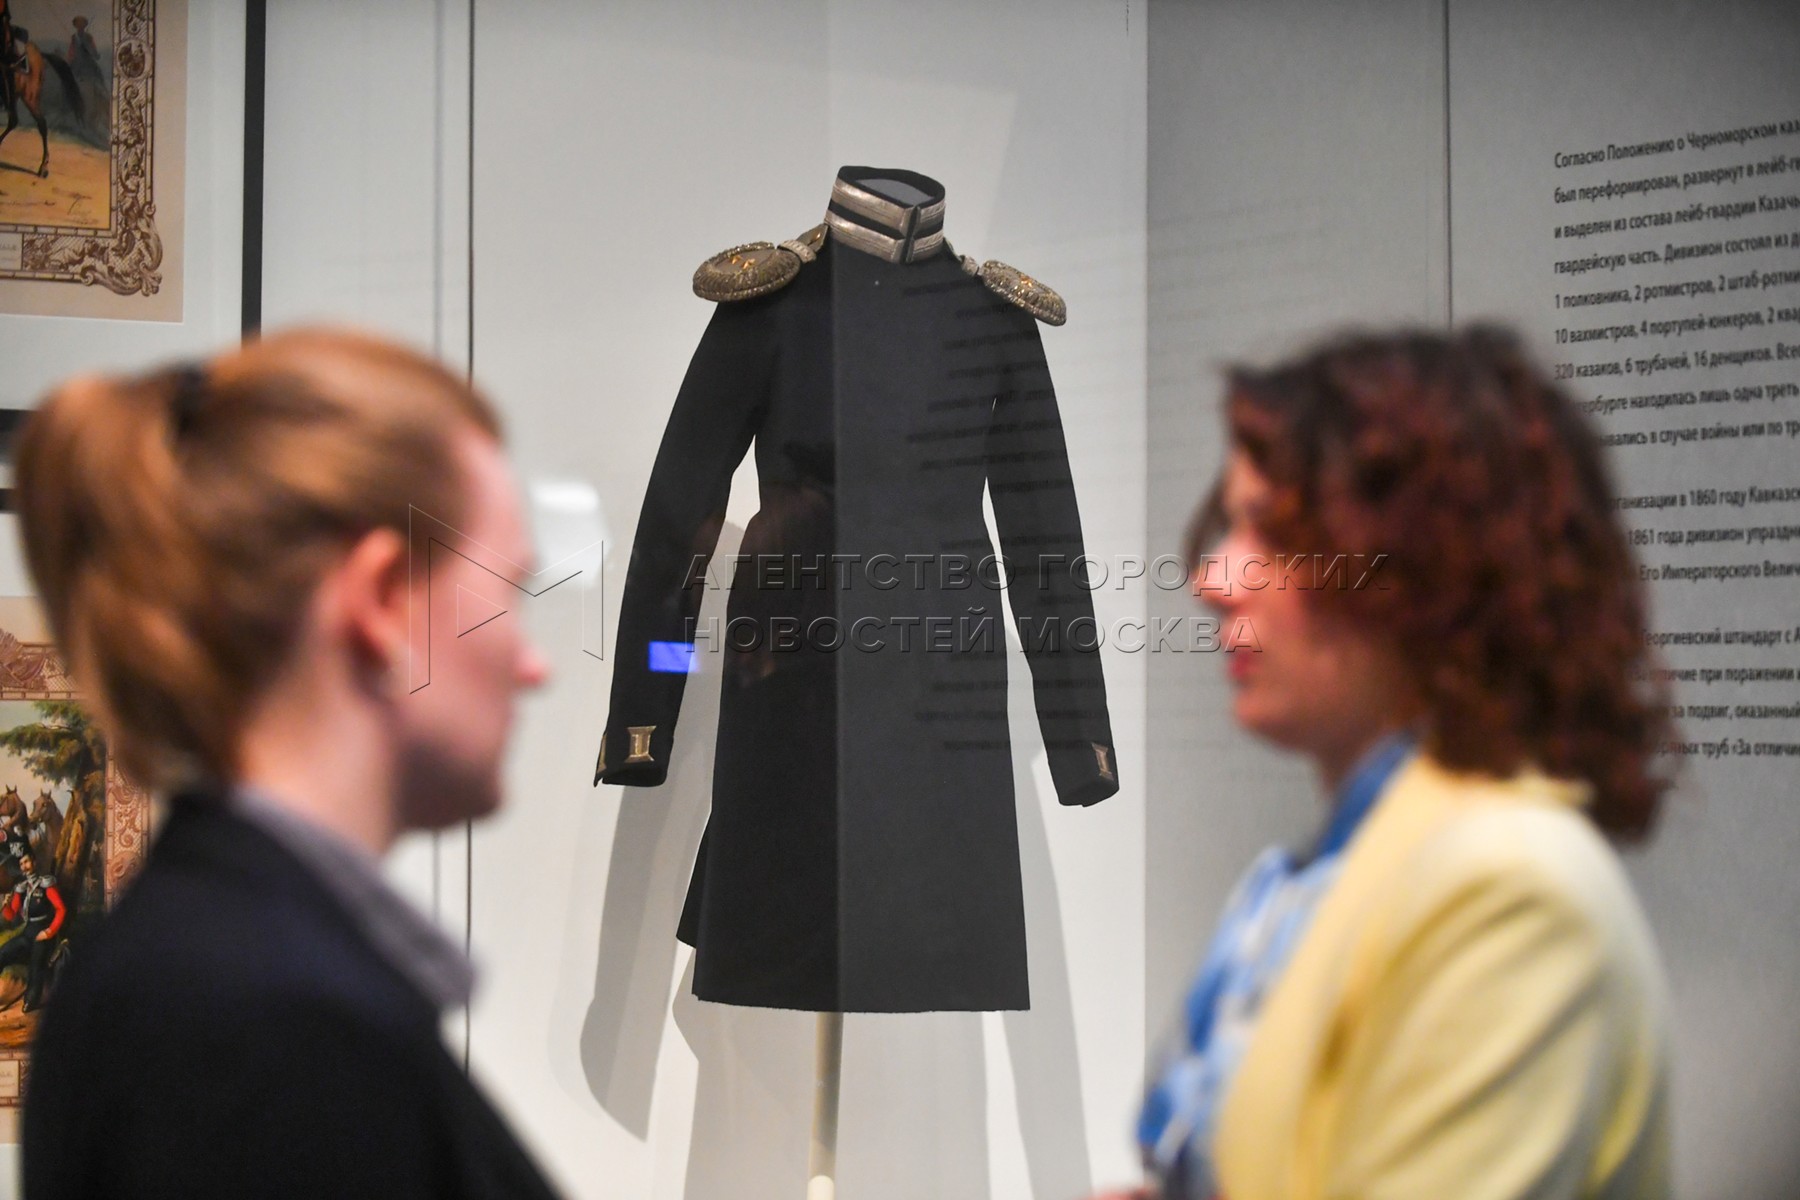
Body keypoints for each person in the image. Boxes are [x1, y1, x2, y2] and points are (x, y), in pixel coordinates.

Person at [1101, 327, 1673, 1199]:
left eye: (1269, 531)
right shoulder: (1330, 873)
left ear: (1420, 567)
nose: (1214, 579)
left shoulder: (1510, 897)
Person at [14, 329, 562, 1198]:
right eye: (508, 597)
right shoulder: (265, 1017)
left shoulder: (222, 964)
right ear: (382, 601)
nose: (536, 667)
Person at [0, 850, 66, 1012]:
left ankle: (31, 999)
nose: (25, 867)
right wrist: (5, 905)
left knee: (36, 964)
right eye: (21, 864)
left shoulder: (46, 884)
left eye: (27, 862)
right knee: (3, 952)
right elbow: (11, 915)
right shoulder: (21, 888)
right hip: (28, 932)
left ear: (34, 862)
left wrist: (49, 932)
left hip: (43, 933)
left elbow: (61, 910)